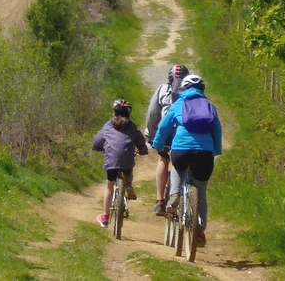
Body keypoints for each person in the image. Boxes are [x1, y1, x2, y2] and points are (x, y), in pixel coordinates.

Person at [151, 74, 222, 248]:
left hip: (181, 150)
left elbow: (164, 127)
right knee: (201, 191)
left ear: (184, 88)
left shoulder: (178, 105)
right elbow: (217, 130)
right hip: (204, 153)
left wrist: (157, 144)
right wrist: (216, 150)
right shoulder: (210, 106)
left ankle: (174, 194)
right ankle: (200, 229)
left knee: (178, 168)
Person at [91, 99, 148, 228]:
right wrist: (142, 151)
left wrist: (99, 148)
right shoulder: (132, 127)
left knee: (109, 187)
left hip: (111, 160)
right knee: (128, 169)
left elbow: (97, 141)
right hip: (127, 159)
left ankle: (105, 216)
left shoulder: (108, 126)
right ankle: (128, 184)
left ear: (114, 113)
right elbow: (140, 142)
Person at [144, 63, 189, 216]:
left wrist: (151, 134)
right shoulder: (192, 92)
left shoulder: (163, 90)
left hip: (167, 134)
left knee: (164, 160)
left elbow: (152, 113)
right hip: (187, 134)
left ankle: (160, 201)